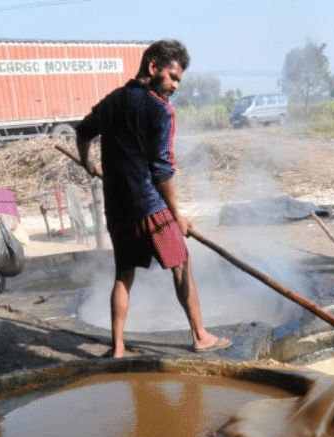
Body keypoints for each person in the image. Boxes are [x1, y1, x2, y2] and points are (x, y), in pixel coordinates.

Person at [75, 39, 230, 358]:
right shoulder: (160, 110)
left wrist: (85, 161)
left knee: (123, 274)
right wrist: (176, 215)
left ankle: (117, 348)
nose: (175, 85)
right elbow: (162, 170)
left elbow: (82, 132)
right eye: (173, 77)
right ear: (153, 67)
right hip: (151, 208)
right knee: (182, 265)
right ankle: (200, 336)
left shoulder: (113, 101)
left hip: (118, 210)